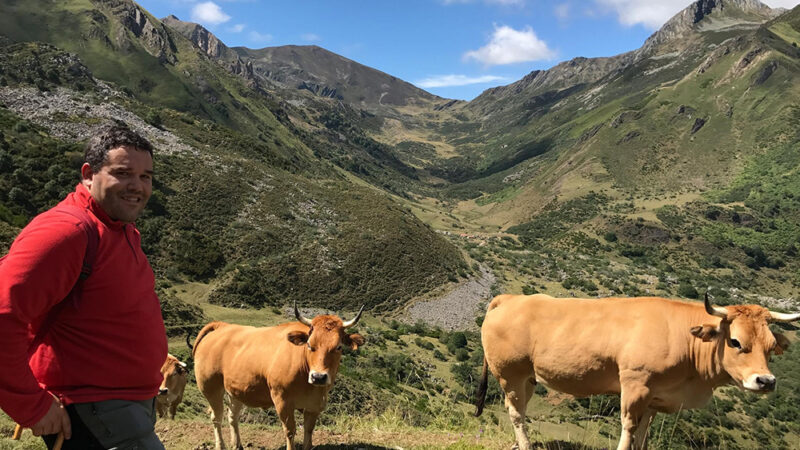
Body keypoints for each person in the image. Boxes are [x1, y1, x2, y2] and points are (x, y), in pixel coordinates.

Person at [0, 123, 168, 449]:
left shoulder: (118, 229)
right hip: (95, 410)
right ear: (89, 174)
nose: (138, 186)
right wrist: (31, 407)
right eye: (123, 173)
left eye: (146, 176)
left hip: (123, 409)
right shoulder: (68, 231)